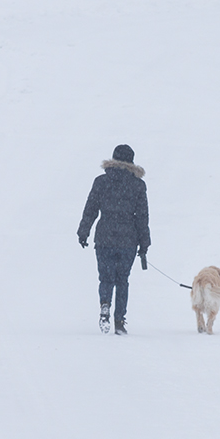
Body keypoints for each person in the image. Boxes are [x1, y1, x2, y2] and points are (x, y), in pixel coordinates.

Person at [76, 144, 151, 335]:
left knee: (106, 278)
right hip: (128, 240)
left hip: (104, 238)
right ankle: (119, 321)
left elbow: (91, 208)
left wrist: (83, 231)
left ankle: (105, 305)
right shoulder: (138, 185)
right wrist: (144, 243)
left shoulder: (101, 181)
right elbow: (142, 217)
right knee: (122, 280)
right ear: (131, 161)